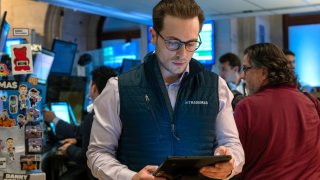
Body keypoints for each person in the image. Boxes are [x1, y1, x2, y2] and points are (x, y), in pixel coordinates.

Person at [87, 0, 244, 179]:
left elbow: (233, 145)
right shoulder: (118, 88)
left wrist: (230, 164)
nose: (182, 54)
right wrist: (130, 177)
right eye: (172, 42)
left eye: (191, 43)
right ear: (153, 35)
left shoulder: (216, 86)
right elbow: (98, 153)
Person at [234, 43, 320, 179]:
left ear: (263, 72)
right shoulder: (311, 102)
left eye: (246, 69)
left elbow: (235, 162)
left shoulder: (247, 107)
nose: (243, 76)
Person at [42, 66, 117, 180]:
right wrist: (77, 140)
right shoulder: (113, 110)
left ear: (94, 88)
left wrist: (68, 149)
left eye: (90, 84)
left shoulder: (95, 115)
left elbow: (86, 156)